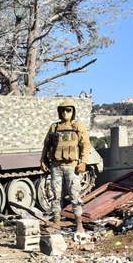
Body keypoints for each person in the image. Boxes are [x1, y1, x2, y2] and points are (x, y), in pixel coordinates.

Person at [40, 98, 89, 233]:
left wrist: (83, 162)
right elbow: (46, 145)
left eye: (69, 110)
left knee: (74, 195)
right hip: (56, 166)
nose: (65, 113)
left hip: (72, 166)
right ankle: (56, 221)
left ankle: (79, 224)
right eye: (62, 110)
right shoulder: (54, 127)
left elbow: (85, 145)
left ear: (73, 112)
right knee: (55, 195)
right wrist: (43, 160)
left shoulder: (77, 126)